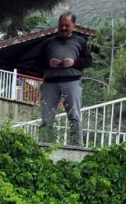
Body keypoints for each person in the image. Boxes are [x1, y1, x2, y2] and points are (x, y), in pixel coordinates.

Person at [37, 12, 92, 144]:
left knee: (74, 116)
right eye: (61, 25)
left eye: (67, 25)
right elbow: (37, 63)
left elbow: (88, 60)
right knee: (47, 117)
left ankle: (75, 146)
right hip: (50, 83)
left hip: (72, 82)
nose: (63, 28)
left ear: (73, 25)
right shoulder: (48, 42)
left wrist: (74, 63)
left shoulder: (80, 41)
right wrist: (48, 63)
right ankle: (45, 144)